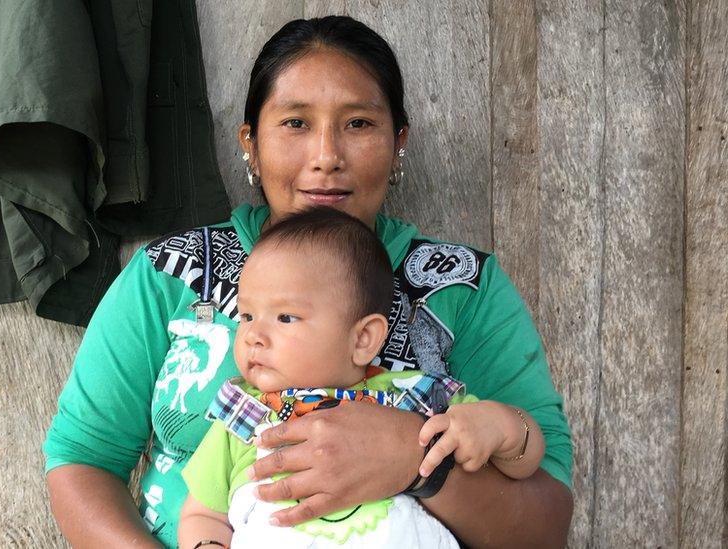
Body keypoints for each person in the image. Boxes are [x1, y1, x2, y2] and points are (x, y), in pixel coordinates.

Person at [44, 15, 573, 548]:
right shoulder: (169, 274)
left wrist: (415, 463)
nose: (326, 157)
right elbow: (82, 460)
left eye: (359, 124)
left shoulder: (461, 287)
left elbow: (544, 519)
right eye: (295, 123)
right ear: (250, 142)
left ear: (398, 141)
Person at [177, 208, 547, 548]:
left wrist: (498, 426)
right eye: (246, 317)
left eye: (285, 317)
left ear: (363, 339)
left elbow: (525, 459)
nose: (254, 335)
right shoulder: (244, 418)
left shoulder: (416, 400)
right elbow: (202, 514)